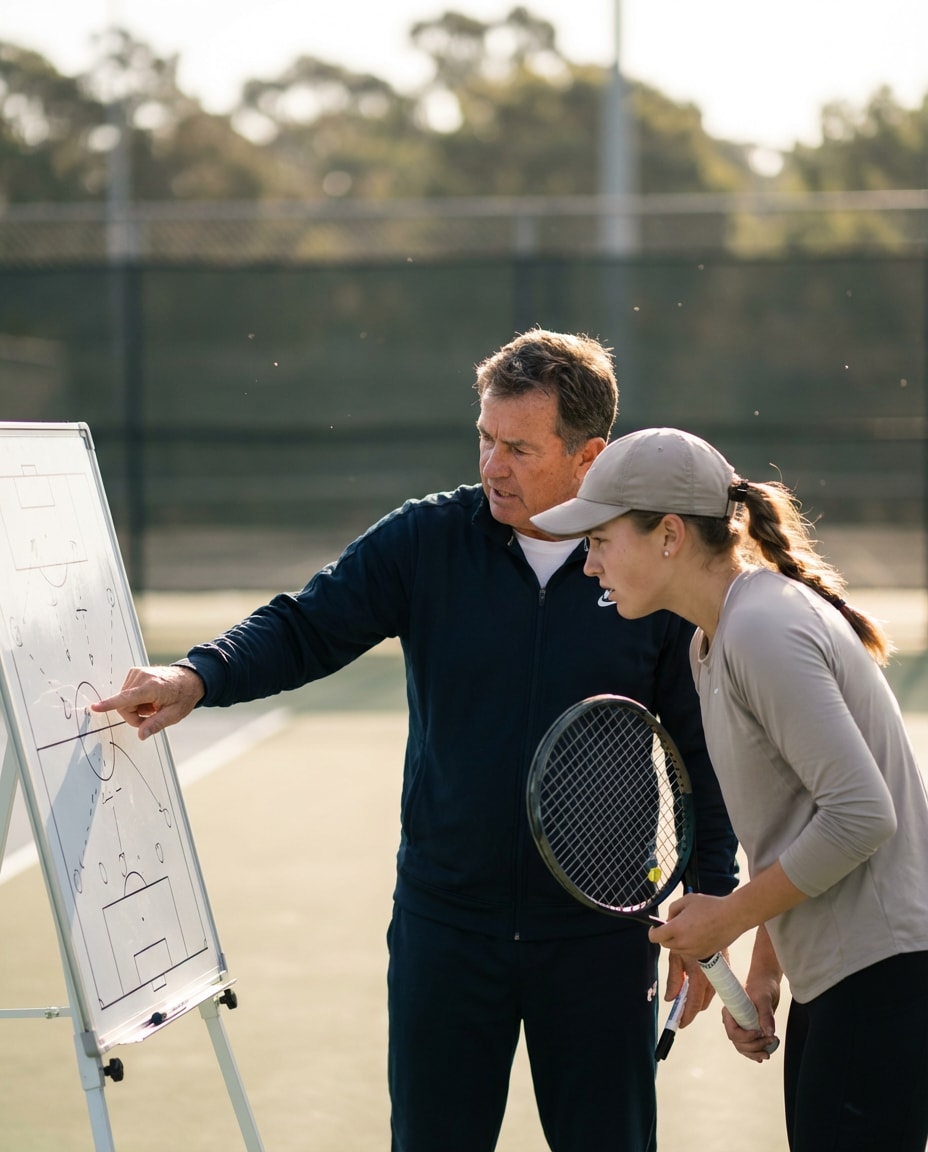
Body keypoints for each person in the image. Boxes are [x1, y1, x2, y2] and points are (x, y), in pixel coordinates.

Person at [92, 334, 737, 1152]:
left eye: (519, 448)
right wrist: (197, 676)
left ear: (589, 456)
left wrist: (715, 891)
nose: (492, 465)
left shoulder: (647, 567)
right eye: (484, 438)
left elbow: (702, 749)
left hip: (600, 942)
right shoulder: (427, 540)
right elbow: (306, 625)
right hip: (447, 930)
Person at [532, 425, 928, 1152]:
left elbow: (862, 814)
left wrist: (732, 918)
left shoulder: (762, 631)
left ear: (670, 536)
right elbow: (799, 812)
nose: (589, 565)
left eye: (600, 540)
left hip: (883, 974)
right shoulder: (714, 638)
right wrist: (770, 969)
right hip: (842, 975)